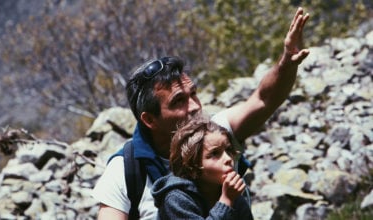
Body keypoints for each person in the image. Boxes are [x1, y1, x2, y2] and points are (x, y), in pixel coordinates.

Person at [92, 7, 310, 219]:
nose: (195, 106)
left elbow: (263, 99)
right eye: (179, 101)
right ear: (149, 119)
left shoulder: (217, 135)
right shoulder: (125, 171)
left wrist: (286, 63)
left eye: (193, 94)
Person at [152, 114, 254, 219]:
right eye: (214, 153)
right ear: (192, 165)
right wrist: (226, 201)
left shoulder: (230, 193)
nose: (228, 159)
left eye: (228, 150)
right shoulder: (176, 198)